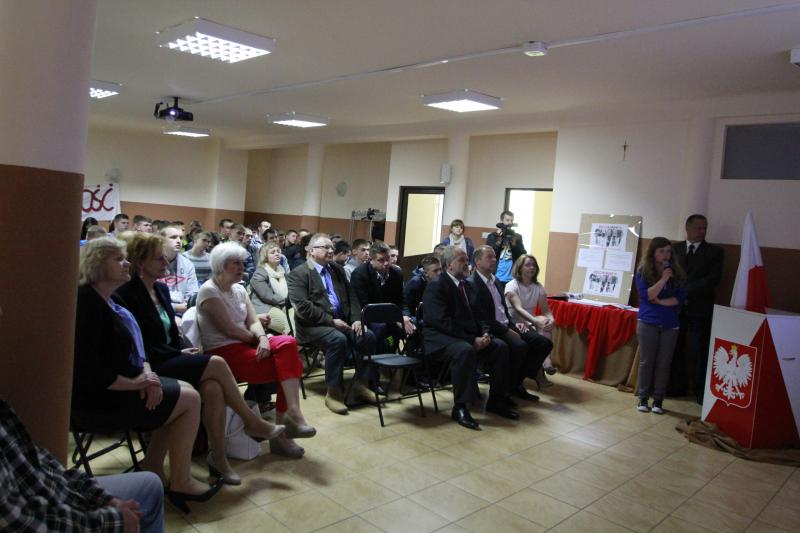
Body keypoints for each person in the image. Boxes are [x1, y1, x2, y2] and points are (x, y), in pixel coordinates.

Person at [115, 233, 286, 485]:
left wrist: (180, 352)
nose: (166, 262)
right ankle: (251, 421)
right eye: (159, 258)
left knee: (213, 388)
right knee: (216, 362)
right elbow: (140, 344)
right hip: (152, 364)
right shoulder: (127, 295)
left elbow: (168, 337)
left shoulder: (160, 289)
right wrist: (174, 354)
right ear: (141, 263)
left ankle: (218, 458)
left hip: (170, 357)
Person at [73, 238, 221, 511]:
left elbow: (137, 351)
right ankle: (181, 481)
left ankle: (153, 465)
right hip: (98, 399)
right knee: (189, 399)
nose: (126, 263)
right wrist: (136, 383)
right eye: (118, 259)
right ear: (97, 264)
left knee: (184, 391)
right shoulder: (87, 303)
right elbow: (89, 371)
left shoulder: (105, 300)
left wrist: (148, 376)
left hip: (126, 384)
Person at [196, 242, 315, 458]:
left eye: (242, 263)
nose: (242, 267)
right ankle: (284, 434)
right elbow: (230, 330)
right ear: (221, 265)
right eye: (236, 263)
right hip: (223, 354)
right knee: (290, 367)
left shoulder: (239, 289)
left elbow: (252, 321)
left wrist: (262, 337)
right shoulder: (209, 291)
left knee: (288, 343)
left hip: (247, 345)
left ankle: (293, 413)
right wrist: (260, 339)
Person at [0, 399, 165, 533]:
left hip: (53, 499)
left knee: (150, 485)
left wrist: (106, 499)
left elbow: (44, 466)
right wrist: (111, 521)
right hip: (48, 516)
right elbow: (18, 523)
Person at [421, 245, 514, 430]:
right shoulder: (437, 285)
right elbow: (442, 322)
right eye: (462, 260)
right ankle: (460, 407)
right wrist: (471, 340)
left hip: (464, 336)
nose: (467, 263)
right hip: (439, 338)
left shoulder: (467, 285)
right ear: (449, 265)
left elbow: (480, 315)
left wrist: (485, 333)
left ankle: (496, 400)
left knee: (499, 347)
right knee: (464, 350)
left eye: (467, 259)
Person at [287, 233, 377, 414]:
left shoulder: (337, 269)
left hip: (341, 321)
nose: (330, 250)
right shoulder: (299, 273)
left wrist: (357, 319)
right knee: (338, 339)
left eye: (331, 248)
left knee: (368, 336)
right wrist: (331, 321)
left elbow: (352, 296)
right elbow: (303, 308)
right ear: (311, 251)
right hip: (312, 326)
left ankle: (361, 384)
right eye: (325, 247)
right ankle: (334, 393)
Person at [468, 246, 552, 401]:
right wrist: (507, 330)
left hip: (508, 324)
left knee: (543, 343)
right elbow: (483, 317)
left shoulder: (495, 280)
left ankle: (516, 383)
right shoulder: (472, 283)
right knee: (520, 347)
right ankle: (506, 390)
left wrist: (514, 324)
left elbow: (504, 310)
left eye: (495, 256)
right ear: (478, 261)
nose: (494, 260)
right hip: (492, 329)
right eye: (489, 257)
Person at [670, 214, 724, 404]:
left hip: (700, 308)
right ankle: (676, 387)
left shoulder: (715, 252)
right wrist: (677, 293)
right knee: (675, 348)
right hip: (676, 308)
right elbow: (668, 274)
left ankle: (700, 391)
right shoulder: (674, 249)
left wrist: (686, 291)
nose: (702, 231)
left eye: (704, 228)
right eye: (698, 228)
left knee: (699, 350)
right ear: (687, 228)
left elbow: (712, 280)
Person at [634, 237, 686, 414]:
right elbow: (648, 295)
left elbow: (679, 299)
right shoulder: (643, 271)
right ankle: (643, 398)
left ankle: (658, 400)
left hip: (670, 324)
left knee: (664, 364)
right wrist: (663, 279)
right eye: (661, 251)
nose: (665, 255)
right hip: (648, 322)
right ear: (653, 253)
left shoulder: (677, 273)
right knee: (647, 361)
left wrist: (661, 301)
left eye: (668, 251)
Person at [350, 241, 415, 352]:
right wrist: (395, 319)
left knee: (415, 324)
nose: (386, 263)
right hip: (370, 317)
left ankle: (412, 358)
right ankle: (382, 359)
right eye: (381, 260)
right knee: (383, 330)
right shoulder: (360, 274)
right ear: (370, 260)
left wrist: (404, 316)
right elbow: (364, 306)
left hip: (390, 316)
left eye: (388, 259)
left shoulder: (396, 273)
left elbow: (402, 301)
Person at [504, 254, 559, 385]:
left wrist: (552, 320)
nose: (532, 267)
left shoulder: (538, 286)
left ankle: (544, 364)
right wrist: (534, 321)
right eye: (528, 265)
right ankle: (543, 366)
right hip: (515, 321)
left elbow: (546, 310)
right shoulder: (512, 285)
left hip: (531, 320)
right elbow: (518, 309)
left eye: (534, 265)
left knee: (545, 323)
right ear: (520, 268)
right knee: (540, 326)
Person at [250, 241, 292, 335]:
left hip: (282, 305)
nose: (277, 254)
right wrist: (287, 301)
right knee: (286, 324)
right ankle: (291, 340)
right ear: (265, 257)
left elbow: (291, 291)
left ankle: (292, 340)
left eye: (278, 251)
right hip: (265, 307)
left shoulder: (282, 271)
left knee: (297, 314)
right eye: (273, 252)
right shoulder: (259, 273)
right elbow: (268, 296)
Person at [157, 225, 199, 315]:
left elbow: (192, 295)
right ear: (161, 241)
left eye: (180, 238)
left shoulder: (188, 264)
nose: (179, 241)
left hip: (184, 311)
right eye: (173, 237)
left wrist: (185, 306)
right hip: (159, 312)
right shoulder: (152, 262)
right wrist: (176, 308)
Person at [486, 210, 526, 284]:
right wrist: (500, 238)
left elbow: (522, 255)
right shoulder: (492, 236)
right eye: (507, 220)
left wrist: (514, 244)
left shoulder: (517, 237)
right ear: (501, 221)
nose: (510, 223)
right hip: (496, 276)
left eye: (511, 220)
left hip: (512, 279)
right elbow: (490, 254)